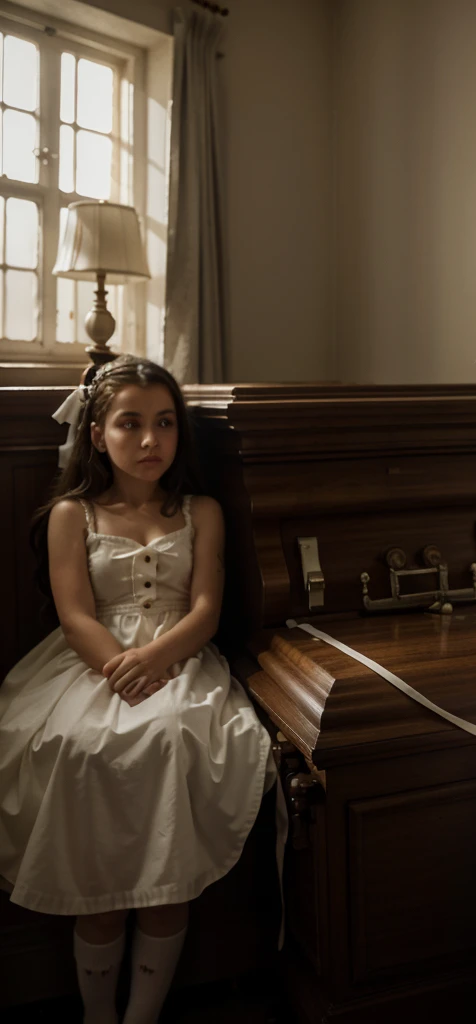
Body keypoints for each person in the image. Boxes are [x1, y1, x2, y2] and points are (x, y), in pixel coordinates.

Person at [0, 355, 276, 1024]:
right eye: (130, 425)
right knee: (79, 744)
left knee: (175, 737)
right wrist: (120, 667)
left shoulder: (200, 510)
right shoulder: (73, 513)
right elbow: (75, 616)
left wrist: (155, 657)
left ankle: (143, 1013)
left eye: (164, 424)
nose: (150, 441)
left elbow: (205, 608)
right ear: (97, 434)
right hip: (94, 661)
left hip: (179, 654)